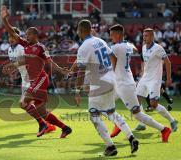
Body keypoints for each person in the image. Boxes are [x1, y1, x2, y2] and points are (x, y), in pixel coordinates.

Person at [1, 5, 72, 138]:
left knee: (23, 103)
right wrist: (4, 20)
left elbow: (49, 62)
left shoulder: (40, 48)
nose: (26, 36)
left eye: (28, 34)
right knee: (42, 111)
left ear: (34, 35)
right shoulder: (26, 45)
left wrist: (61, 70)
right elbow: (11, 32)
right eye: (25, 34)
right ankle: (65, 128)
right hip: (33, 81)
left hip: (40, 79)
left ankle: (42, 125)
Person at [72, 19, 138, 156]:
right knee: (111, 112)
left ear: (81, 30)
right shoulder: (100, 41)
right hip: (111, 80)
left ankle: (110, 147)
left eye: (78, 30)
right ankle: (131, 138)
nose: (78, 32)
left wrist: (77, 91)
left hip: (99, 83)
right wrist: (110, 72)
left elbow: (81, 72)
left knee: (93, 114)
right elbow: (112, 56)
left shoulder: (83, 47)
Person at [108, 24, 172, 142]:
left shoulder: (115, 48)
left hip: (125, 85)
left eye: (111, 35)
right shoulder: (127, 45)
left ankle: (164, 129)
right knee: (105, 105)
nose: (110, 37)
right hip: (121, 83)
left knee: (137, 114)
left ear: (117, 35)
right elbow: (134, 48)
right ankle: (118, 124)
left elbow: (107, 60)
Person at [7, 27, 56, 133]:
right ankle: (51, 125)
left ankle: (44, 124)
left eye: (12, 36)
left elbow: (26, 61)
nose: (10, 39)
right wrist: (14, 72)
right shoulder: (10, 49)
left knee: (24, 104)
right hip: (24, 80)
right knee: (34, 107)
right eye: (9, 37)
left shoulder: (22, 47)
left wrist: (13, 66)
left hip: (31, 79)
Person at [135, 28, 178, 132]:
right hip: (145, 78)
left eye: (146, 36)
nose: (144, 38)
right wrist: (142, 72)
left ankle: (172, 120)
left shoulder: (158, 48)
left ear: (152, 36)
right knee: (135, 103)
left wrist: (168, 78)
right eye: (143, 36)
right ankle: (142, 124)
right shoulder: (144, 47)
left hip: (154, 80)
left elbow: (168, 63)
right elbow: (145, 62)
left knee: (153, 104)